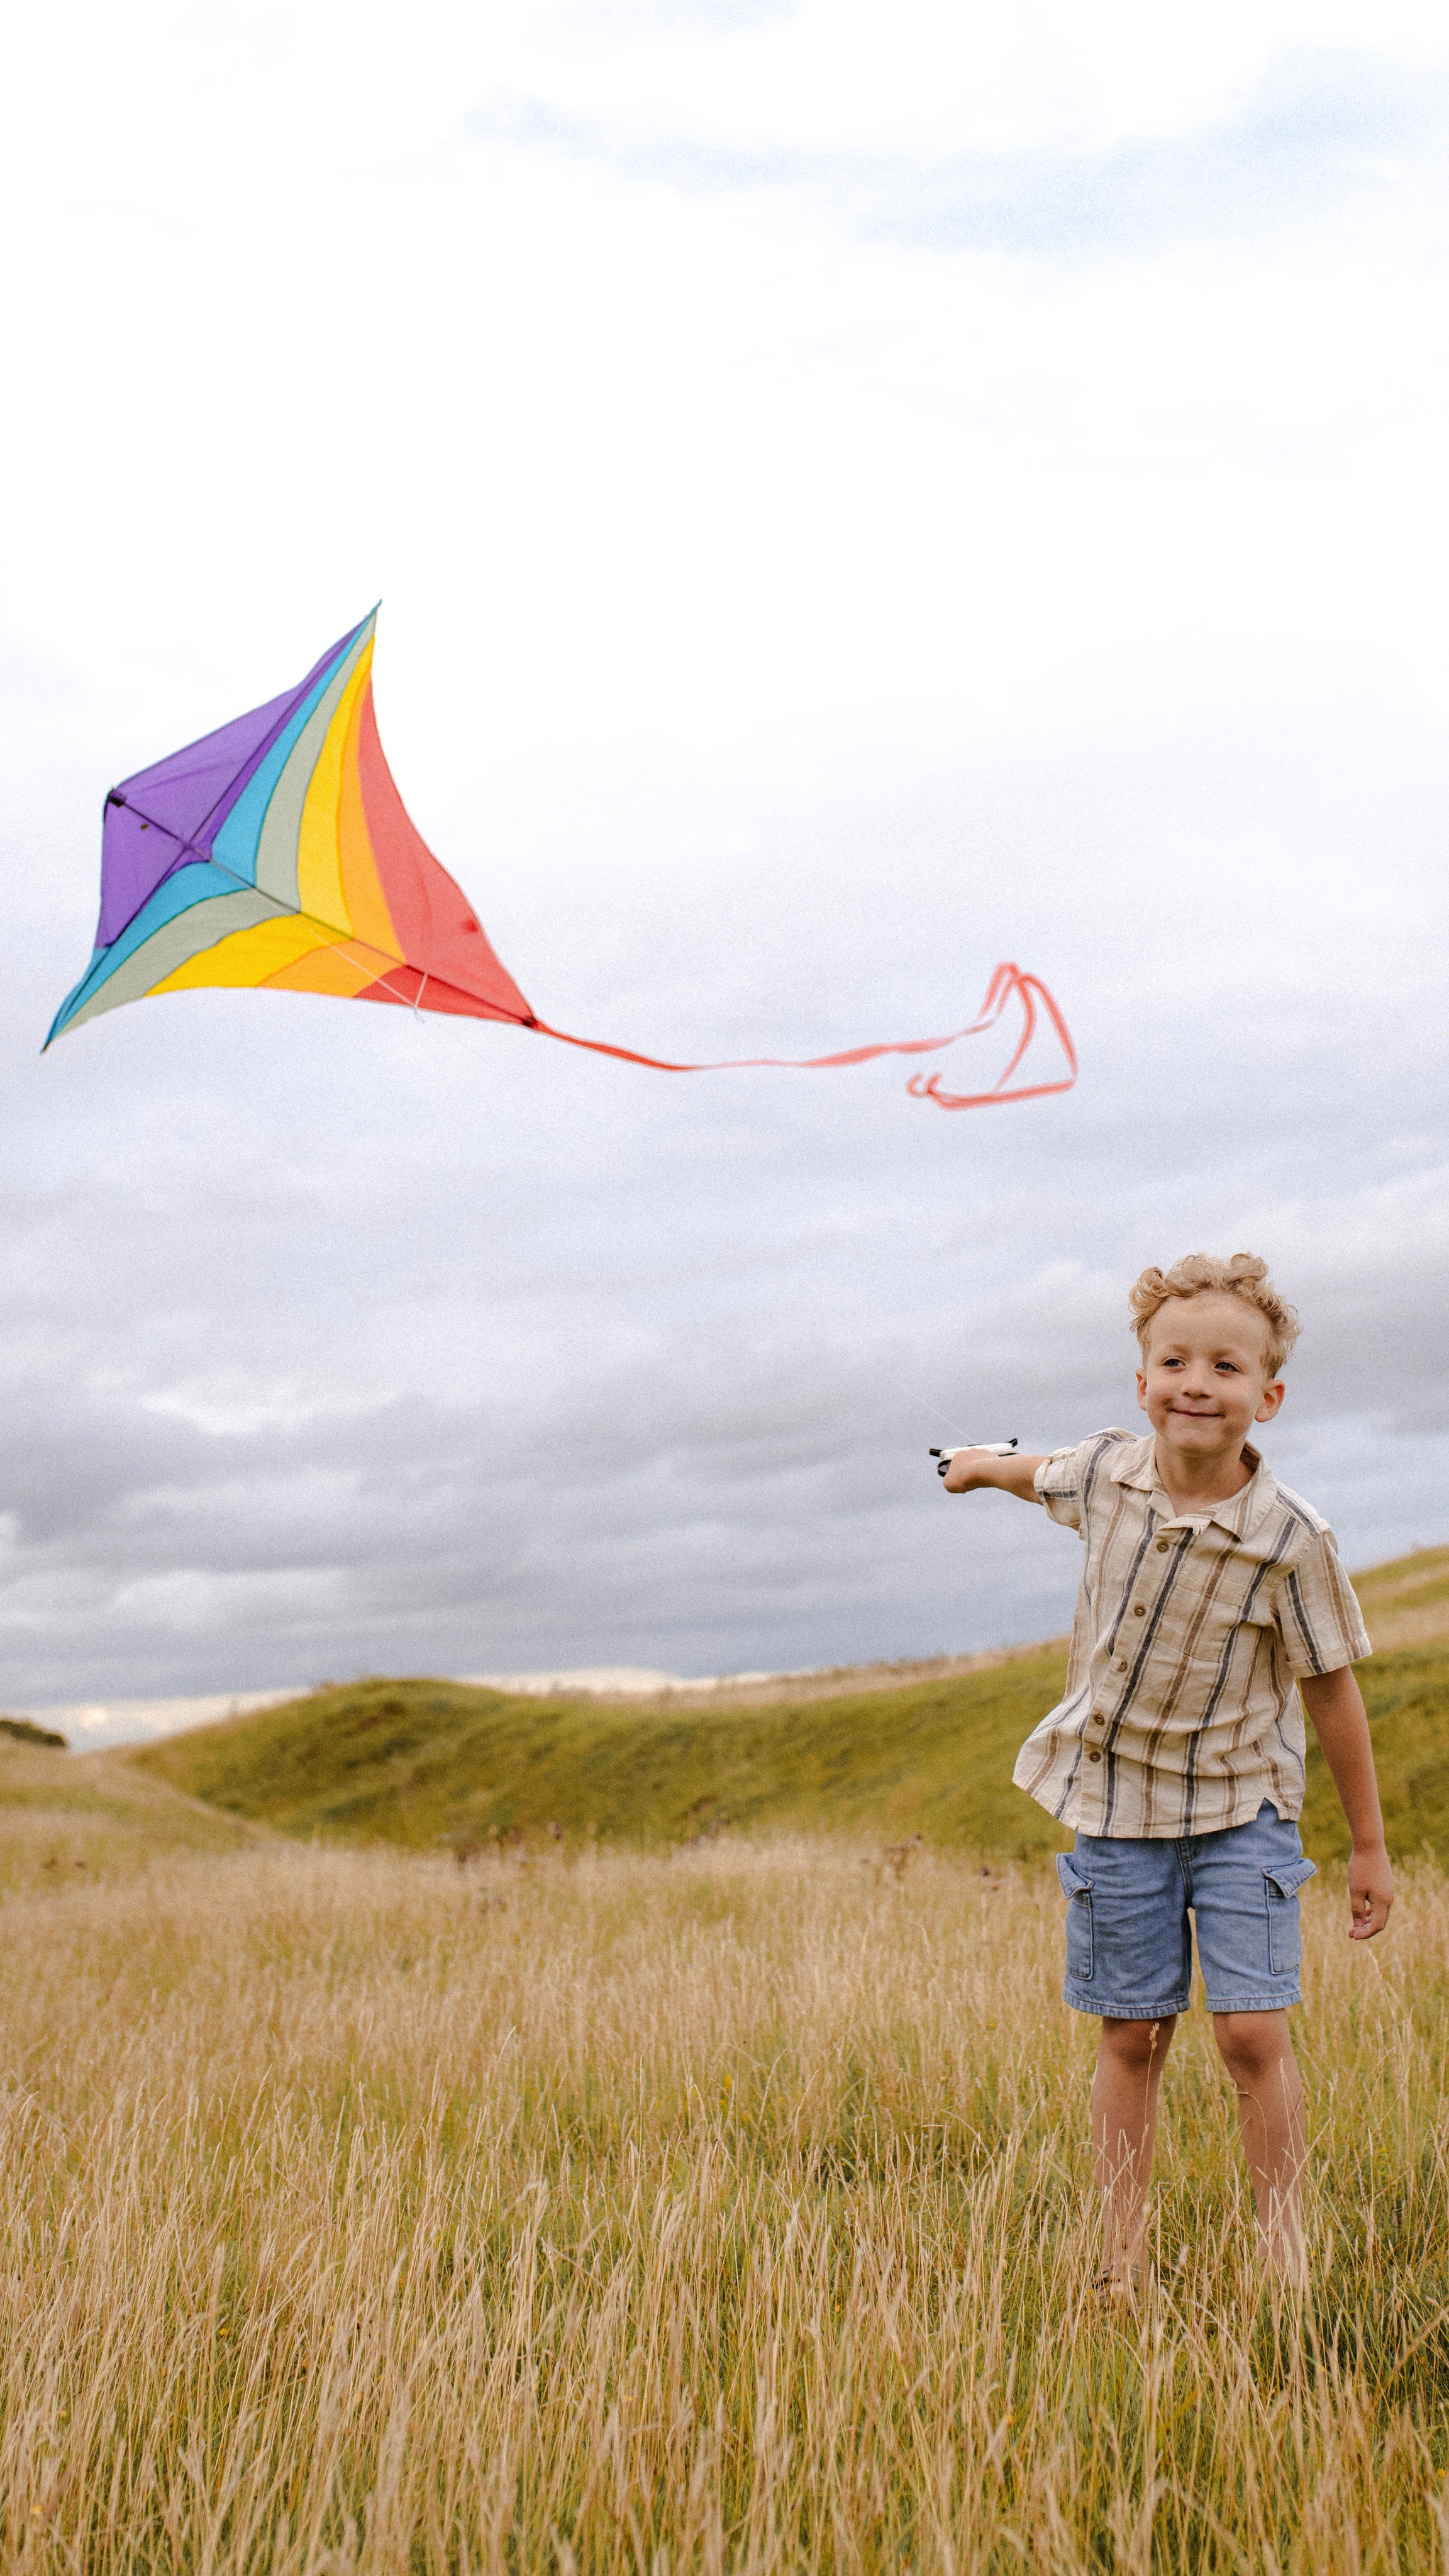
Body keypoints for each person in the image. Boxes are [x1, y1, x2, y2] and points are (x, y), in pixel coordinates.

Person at [942, 1251, 1393, 2290]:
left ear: (1266, 1397)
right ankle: (1119, 2257)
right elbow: (1034, 1473)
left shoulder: (1292, 1540)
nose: (1198, 1381)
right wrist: (973, 1463)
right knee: (1134, 2033)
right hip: (1117, 1809)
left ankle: (1282, 2250)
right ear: (1142, 1380)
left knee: (1248, 2033)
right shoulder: (1106, 1473)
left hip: (1244, 1811)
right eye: (1175, 1361)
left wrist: (1368, 1846)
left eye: (1226, 1367)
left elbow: (1332, 1692)